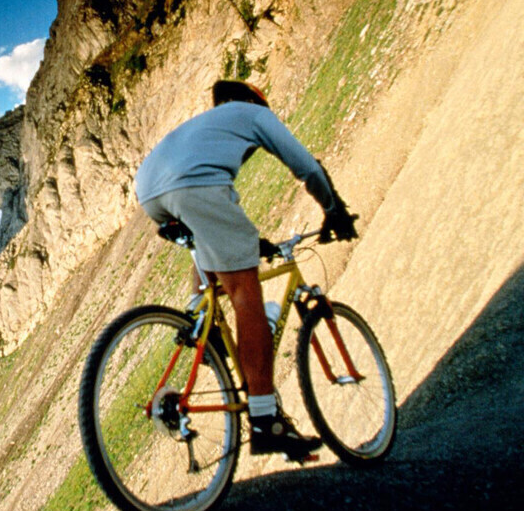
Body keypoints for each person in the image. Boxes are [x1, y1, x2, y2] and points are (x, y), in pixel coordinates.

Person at [135, 80, 358, 460]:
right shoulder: (255, 114)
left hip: (150, 191)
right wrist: (333, 210)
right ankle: (265, 419)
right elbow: (305, 167)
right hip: (194, 187)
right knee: (245, 293)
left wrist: (254, 245)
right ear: (256, 102)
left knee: (207, 243)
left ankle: (202, 318)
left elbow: (220, 216)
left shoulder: (207, 129)